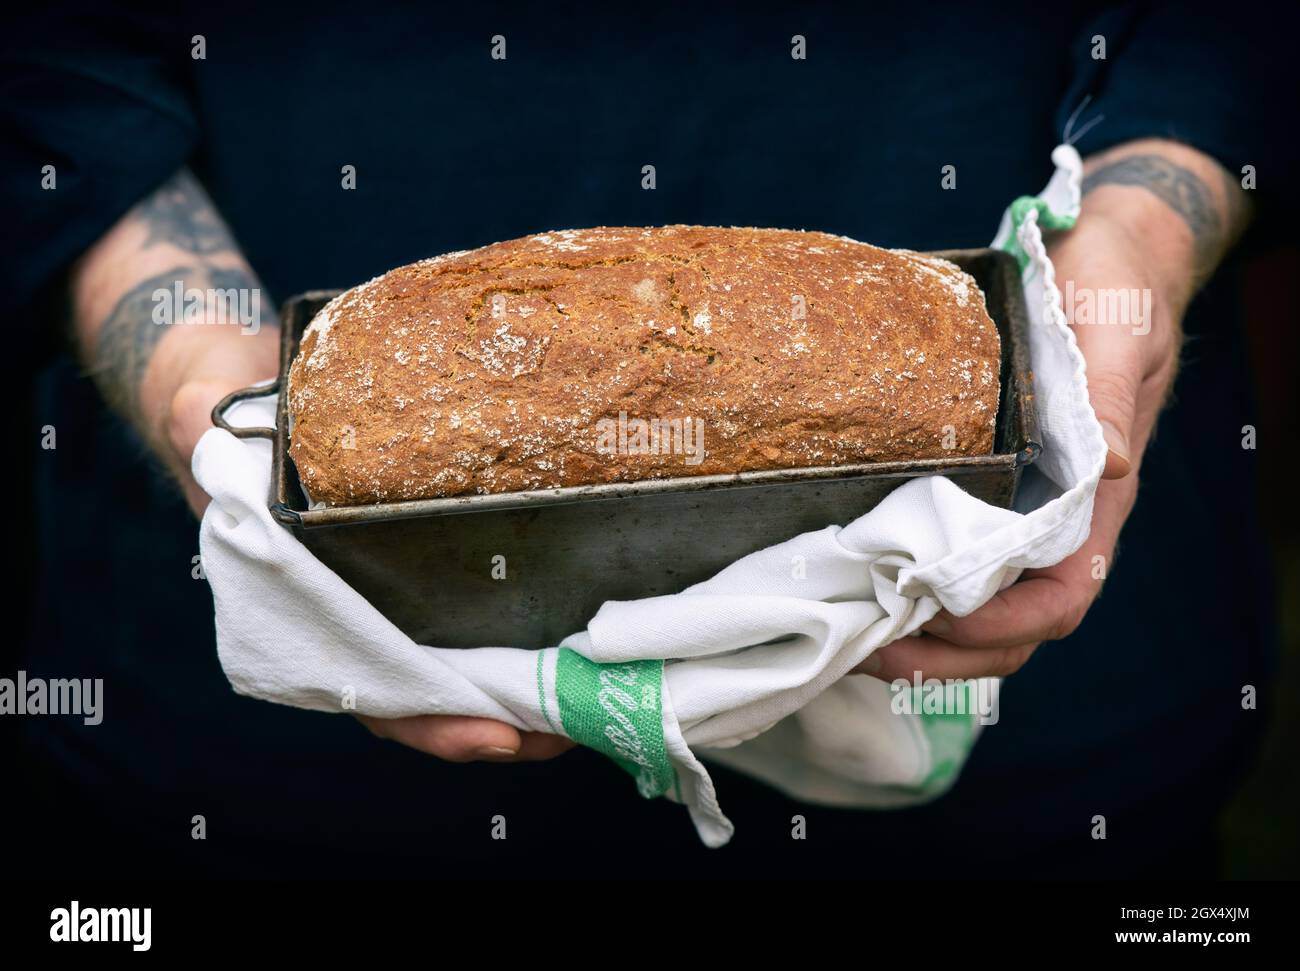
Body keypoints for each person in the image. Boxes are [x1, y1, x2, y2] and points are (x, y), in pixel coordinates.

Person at [7, 2, 1290, 877]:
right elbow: (47, 71)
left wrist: (1136, 232)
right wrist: (199, 378)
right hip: (265, 781)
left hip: (1026, 750)